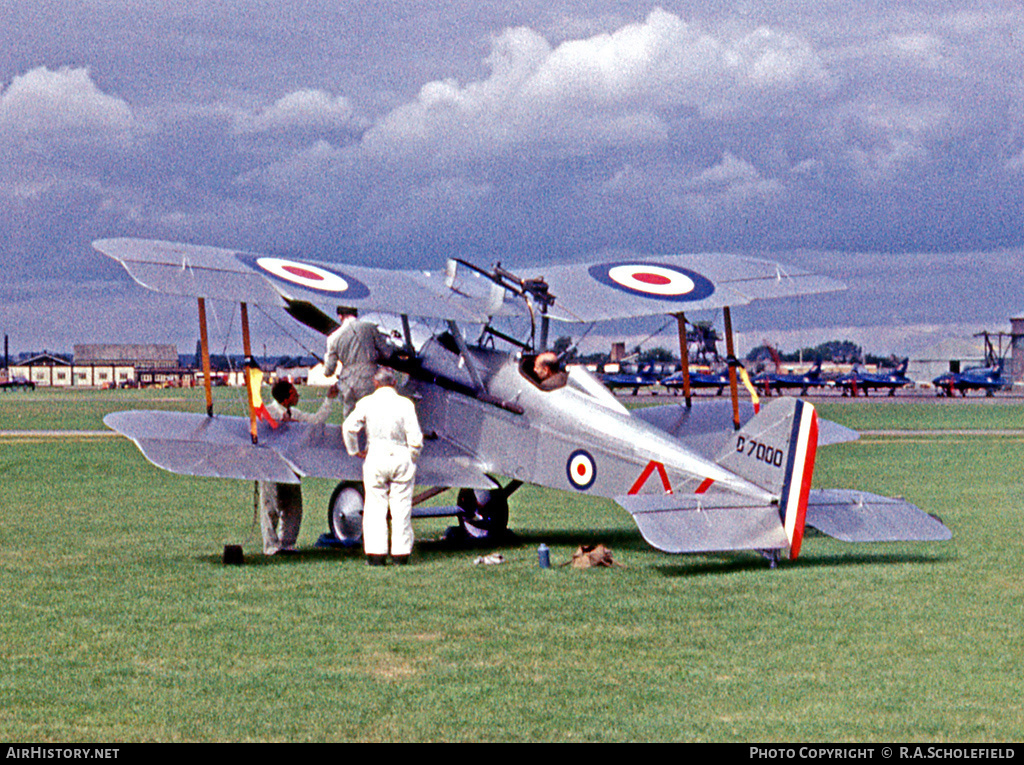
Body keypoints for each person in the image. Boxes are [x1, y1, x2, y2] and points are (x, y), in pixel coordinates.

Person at [342, 368, 423, 566]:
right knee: (401, 507)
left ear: (375, 383)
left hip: (376, 455)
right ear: (394, 383)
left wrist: (355, 451)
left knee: (374, 507)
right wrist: (412, 456)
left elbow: (349, 427)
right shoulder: (405, 404)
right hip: (400, 454)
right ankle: (400, 554)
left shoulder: (367, 403)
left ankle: (376, 554)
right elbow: (416, 438)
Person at [258, 381, 337, 556]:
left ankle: (288, 543)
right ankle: (271, 546)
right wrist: (280, 423)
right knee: (270, 507)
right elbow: (260, 428)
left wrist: (329, 399)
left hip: (291, 464)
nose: (298, 396)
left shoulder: (295, 413)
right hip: (270, 464)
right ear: (286, 398)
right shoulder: (268, 412)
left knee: (293, 506)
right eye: (295, 393)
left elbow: (316, 421)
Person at [324, 306, 393, 417]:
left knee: (350, 419)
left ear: (340, 316)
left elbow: (328, 371)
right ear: (356, 314)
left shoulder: (333, 337)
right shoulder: (370, 328)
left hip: (347, 382)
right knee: (372, 416)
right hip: (370, 378)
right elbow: (387, 353)